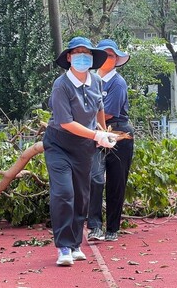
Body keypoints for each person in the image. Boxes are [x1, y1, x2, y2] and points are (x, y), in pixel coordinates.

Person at [43, 37, 118, 266]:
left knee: (82, 196)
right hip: (59, 145)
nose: (82, 56)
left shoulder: (96, 81)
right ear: (69, 57)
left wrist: (104, 133)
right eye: (77, 52)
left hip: (84, 148)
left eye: (86, 52)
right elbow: (66, 123)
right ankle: (64, 247)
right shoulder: (61, 85)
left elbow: (99, 109)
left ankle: (75, 244)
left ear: (92, 58)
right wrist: (95, 135)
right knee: (64, 192)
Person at [87, 39, 134, 242]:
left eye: (112, 55)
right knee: (94, 178)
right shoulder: (90, 80)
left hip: (117, 131)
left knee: (116, 181)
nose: (107, 58)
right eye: (104, 54)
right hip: (94, 132)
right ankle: (94, 226)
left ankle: (112, 228)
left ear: (116, 60)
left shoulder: (118, 83)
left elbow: (106, 113)